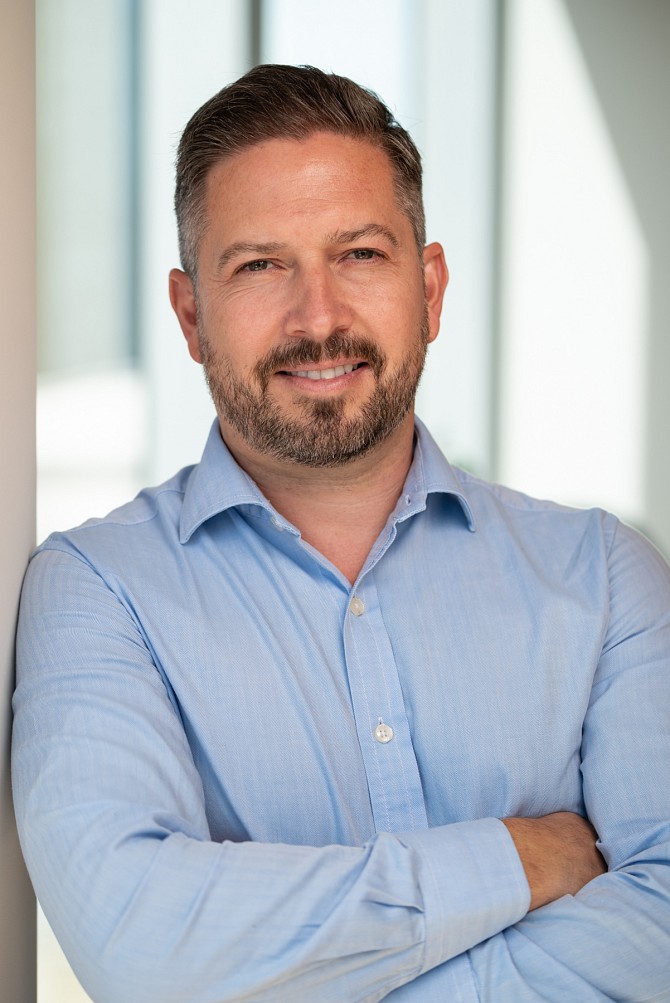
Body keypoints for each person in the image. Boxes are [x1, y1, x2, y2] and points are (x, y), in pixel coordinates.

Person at [12, 64, 670, 1003]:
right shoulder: (96, 592)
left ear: (431, 289)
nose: (317, 318)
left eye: (360, 254)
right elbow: (141, 948)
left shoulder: (607, 579)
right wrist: (519, 858)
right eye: (260, 265)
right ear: (191, 315)